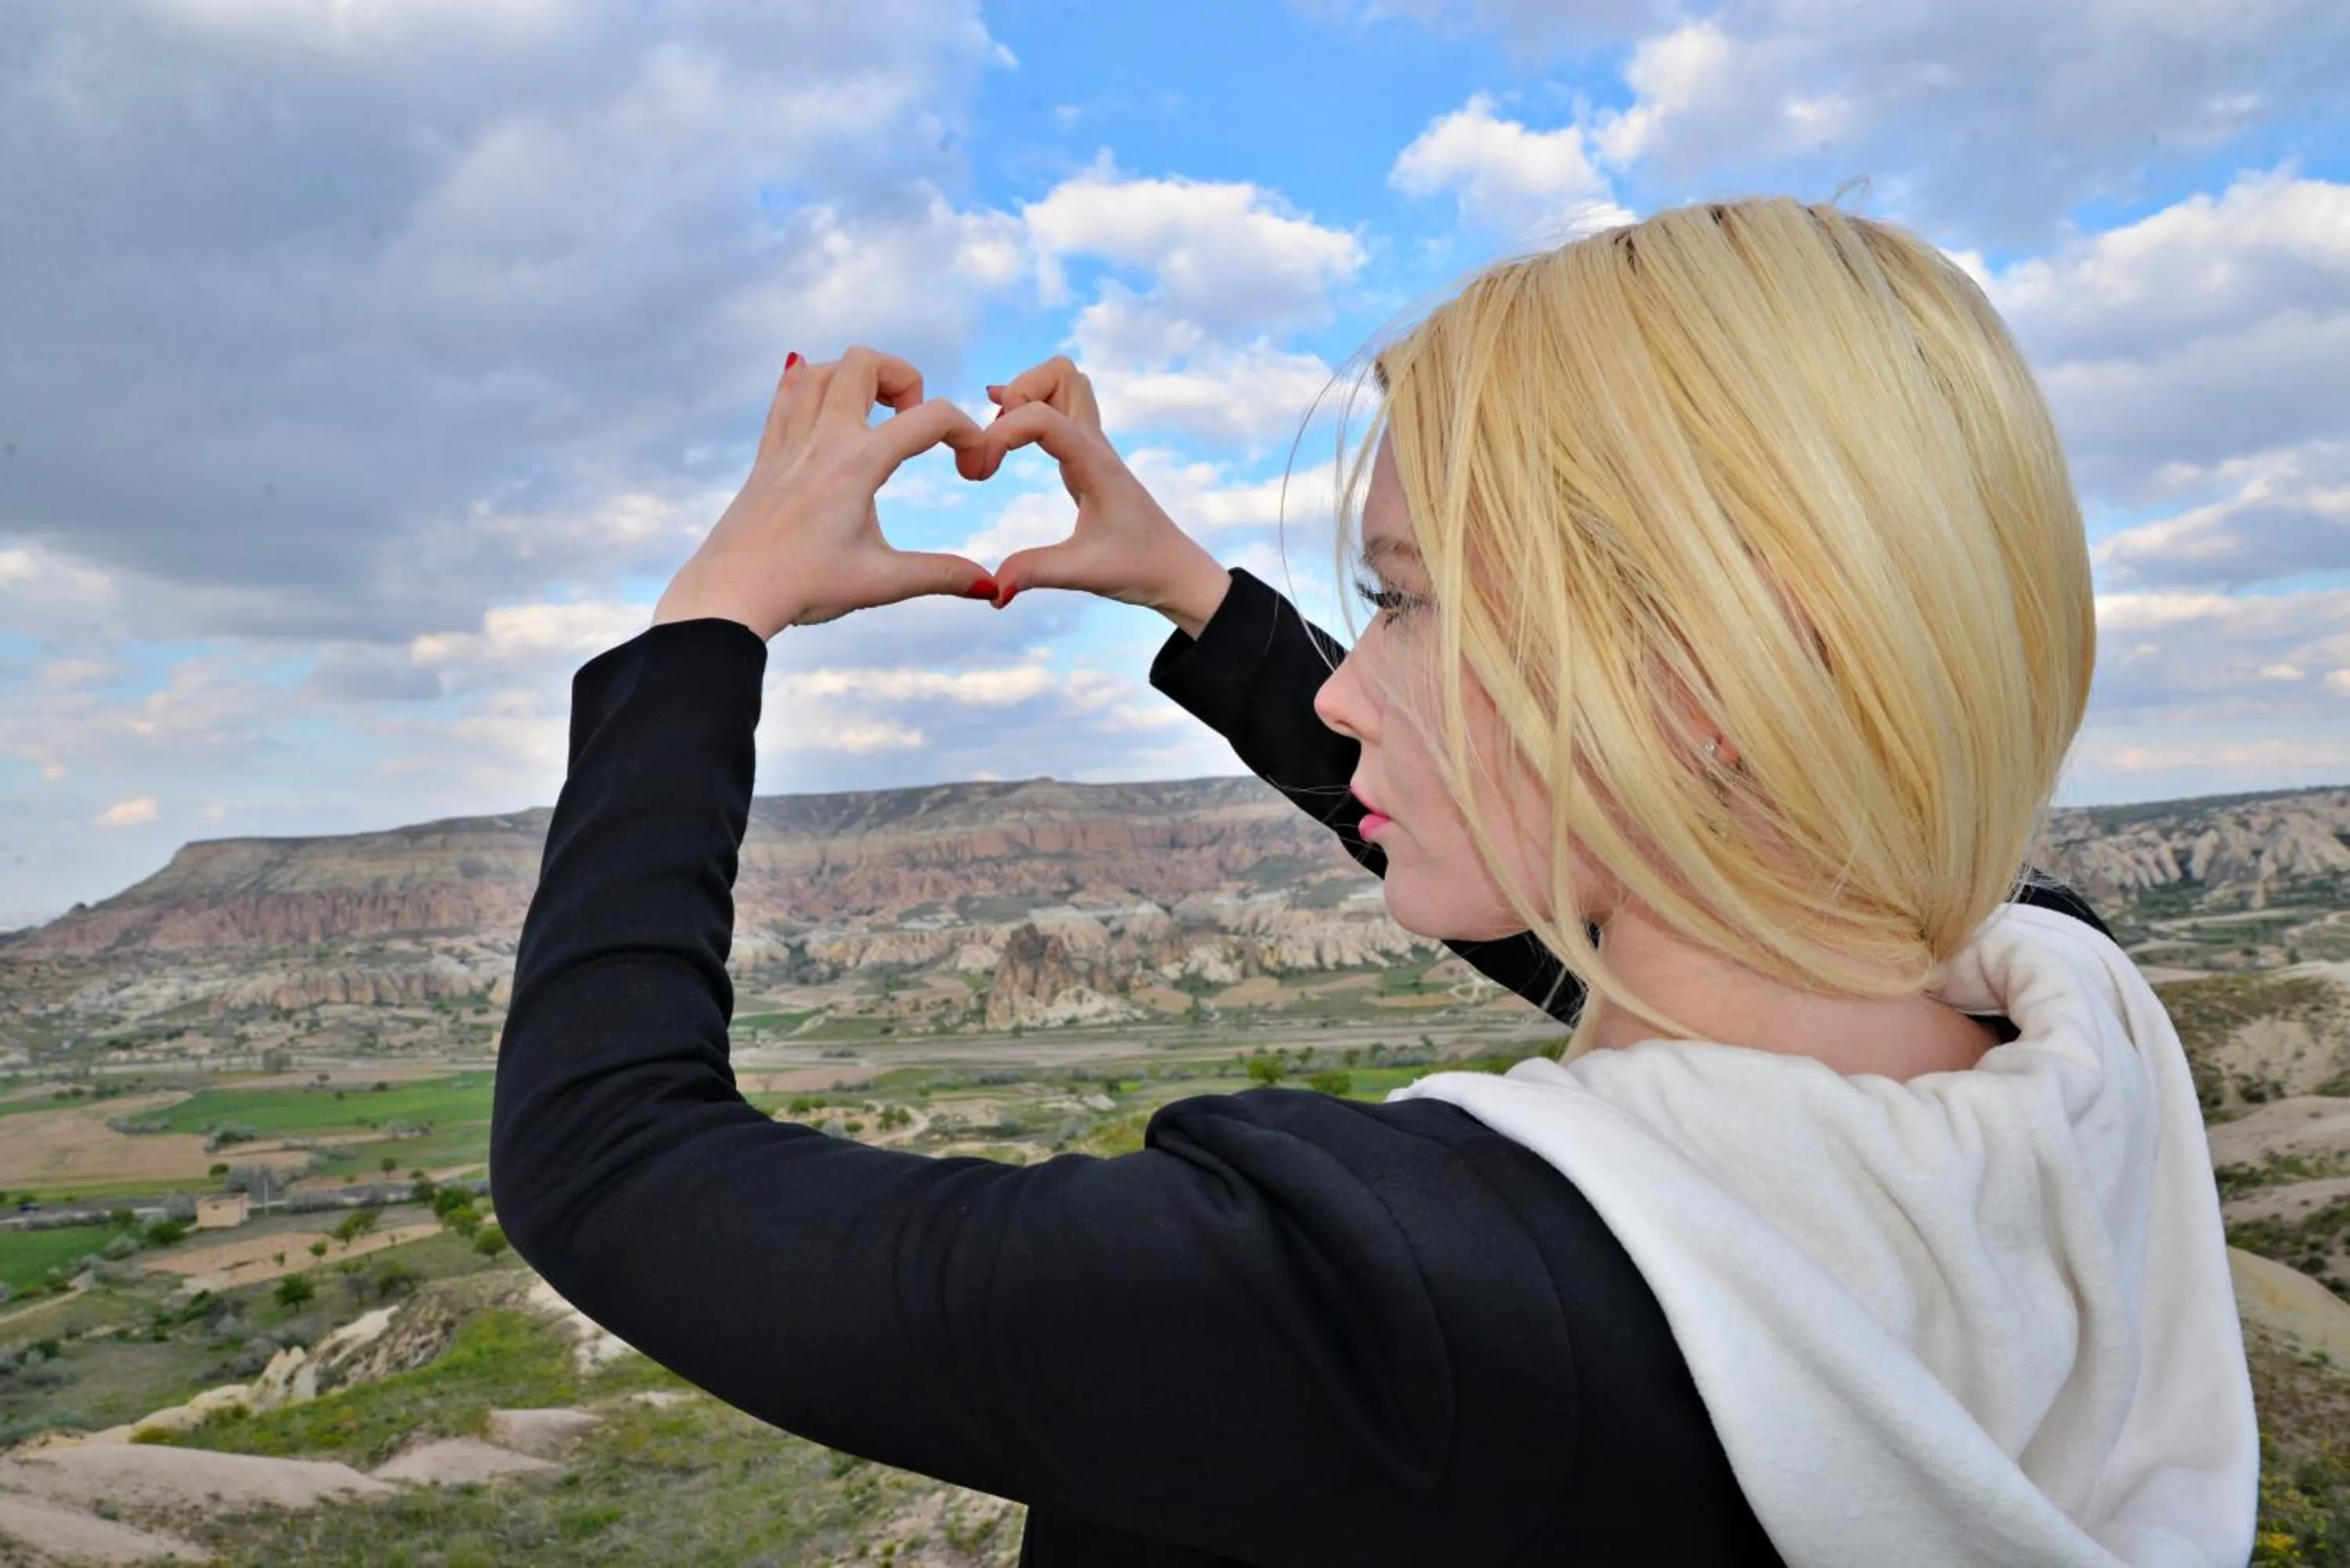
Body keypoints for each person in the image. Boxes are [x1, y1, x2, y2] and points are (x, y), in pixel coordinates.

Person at [490, 197, 2258, 1566]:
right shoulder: (2072, 1020)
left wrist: (715, 611)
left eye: (1403, 600)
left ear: (1707, 679)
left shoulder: (1382, 1305)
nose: (1348, 685)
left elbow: (612, 1158)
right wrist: (1195, 593)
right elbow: (1633, 873)